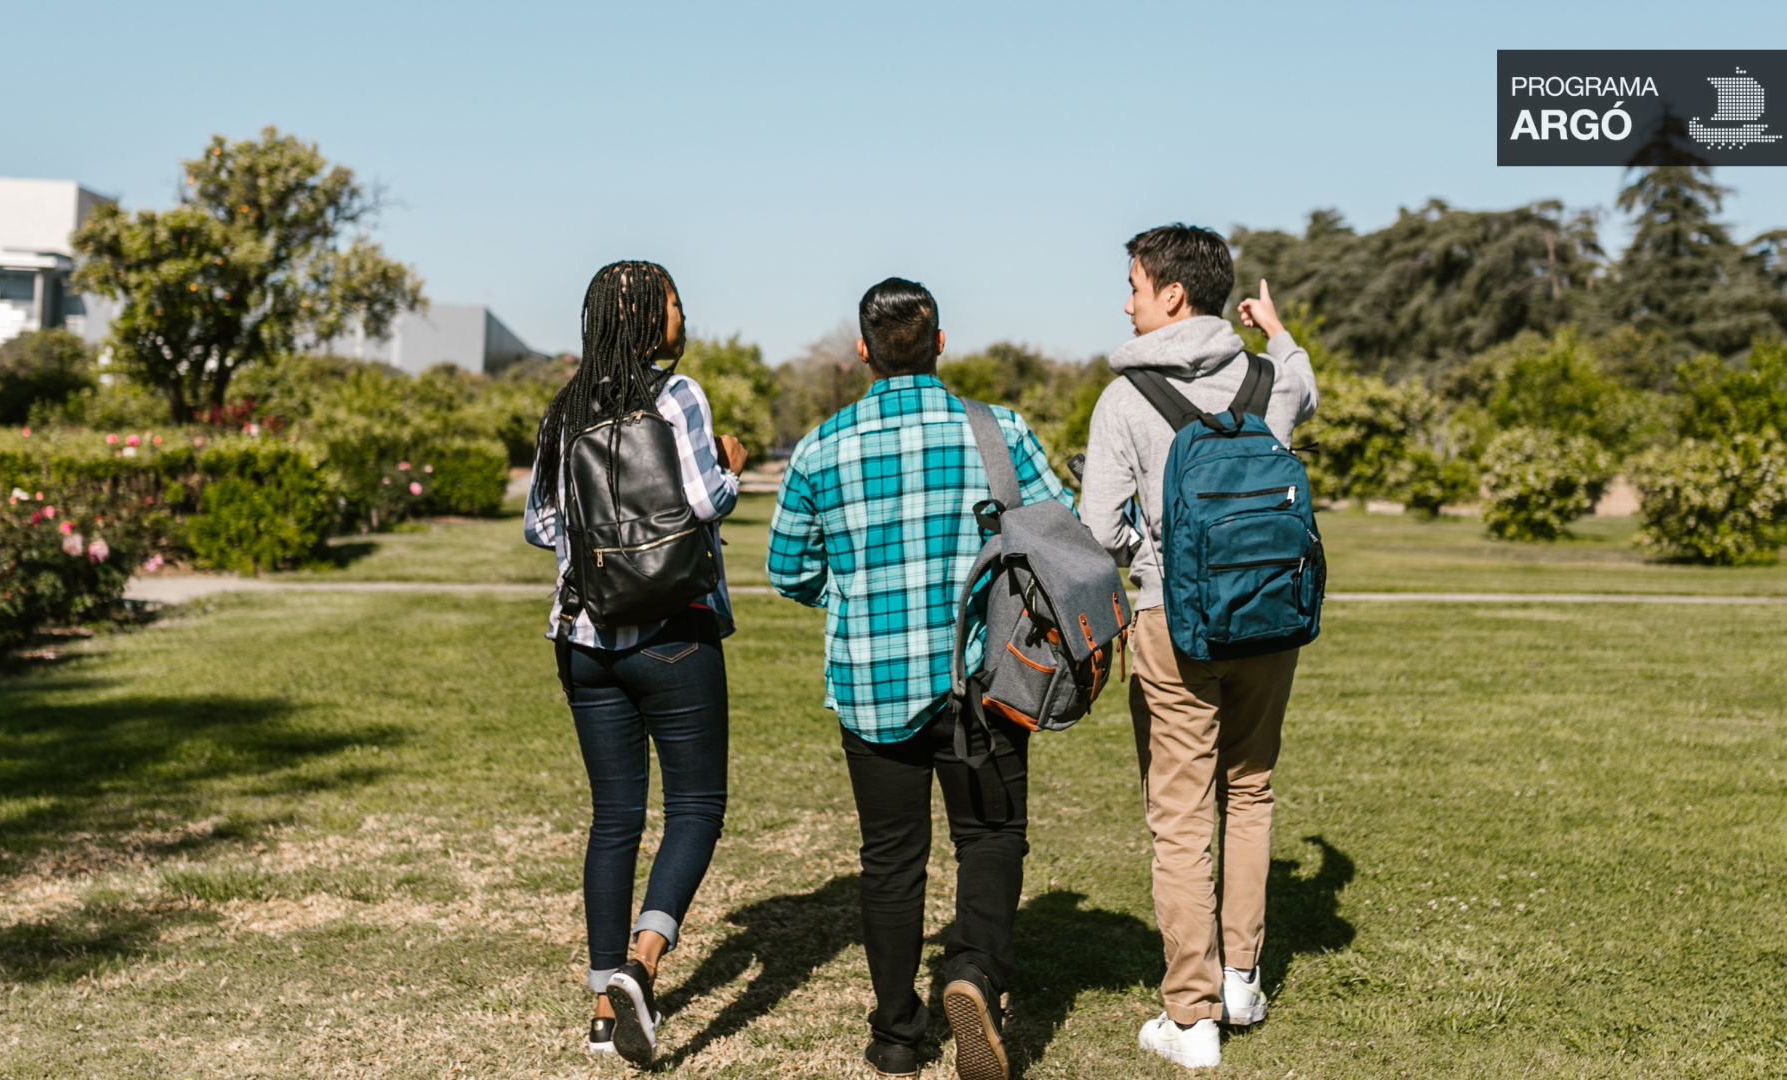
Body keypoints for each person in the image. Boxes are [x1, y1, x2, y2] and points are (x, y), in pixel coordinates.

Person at [767, 278, 1072, 1080]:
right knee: (991, 837)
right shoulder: (999, 432)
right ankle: (972, 975)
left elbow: (786, 569)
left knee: (891, 860)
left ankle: (897, 1035)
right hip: (987, 680)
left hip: (873, 685)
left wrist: (852, 595)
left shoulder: (820, 446)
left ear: (862, 350)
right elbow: (1060, 534)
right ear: (941, 341)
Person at [1078, 225, 1318, 1069]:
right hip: (1269, 618)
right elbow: (1306, 390)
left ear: (1171, 293)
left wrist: (1155, 551)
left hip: (1172, 626)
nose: (1127, 300)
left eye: (1136, 285)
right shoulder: (1266, 378)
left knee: (1179, 818)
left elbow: (1100, 530)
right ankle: (1243, 978)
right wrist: (1276, 329)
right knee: (1249, 792)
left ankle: (1191, 1017)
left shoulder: (1125, 399)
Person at [522, 260, 748, 1065]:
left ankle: (599, 1010)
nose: (684, 316)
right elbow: (702, 501)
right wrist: (731, 461)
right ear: (653, 320)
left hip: (583, 637)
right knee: (697, 804)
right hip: (672, 630)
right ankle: (644, 967)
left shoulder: (563, 410)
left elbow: (541, 526)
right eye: (676, 304)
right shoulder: (676, 397)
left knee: (614, 818)